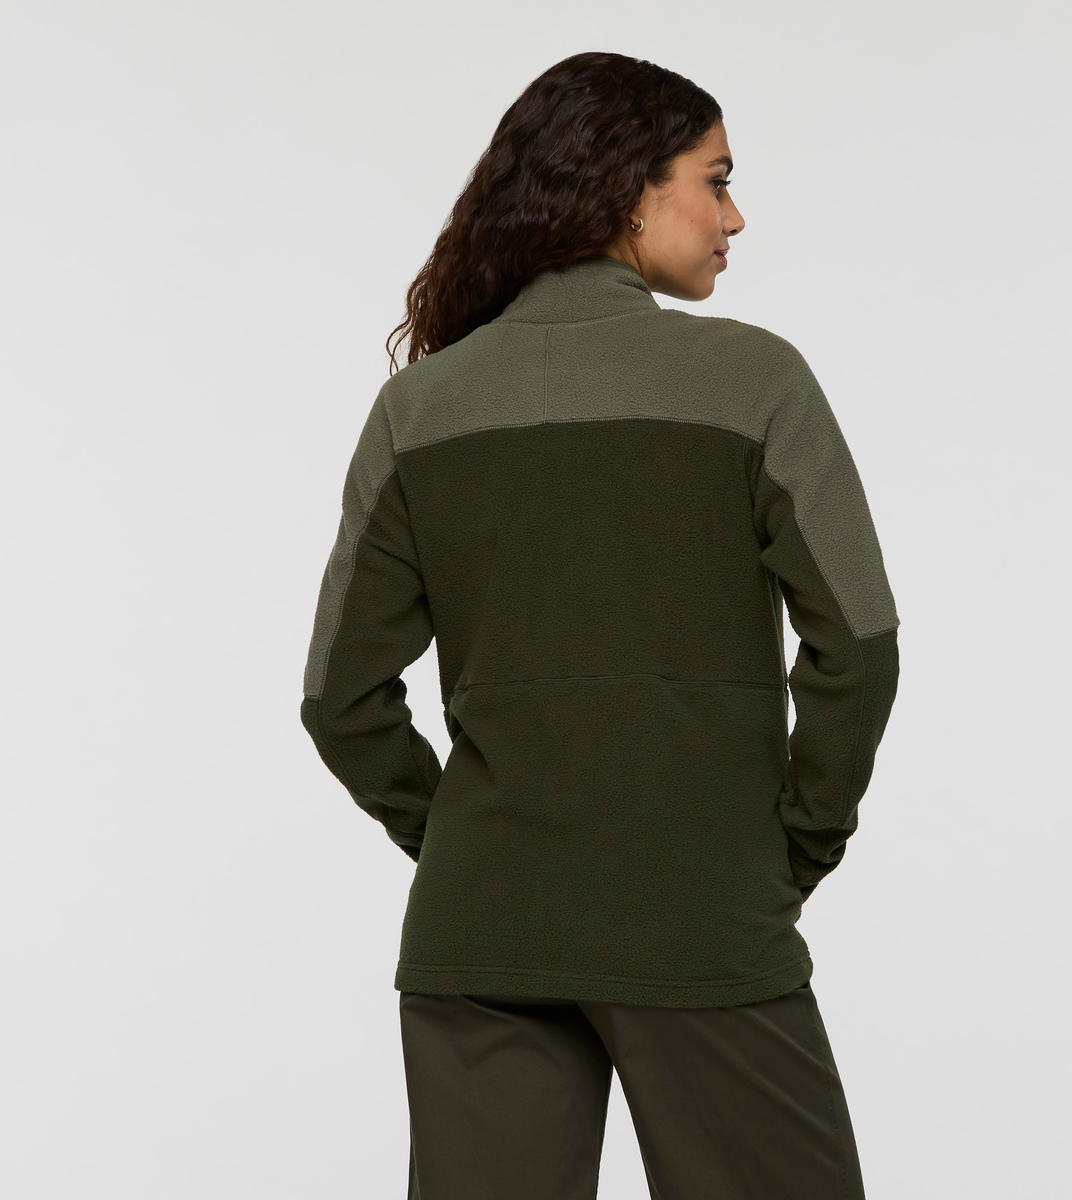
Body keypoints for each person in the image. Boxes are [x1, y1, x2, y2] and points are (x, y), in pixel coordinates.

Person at [300, 50, 899, 1200]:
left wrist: (468, 838)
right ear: (630, 187)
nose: (735, 217)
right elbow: (858, 649)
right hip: (700, 920)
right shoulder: (756, 382)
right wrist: (790, 851)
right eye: (716, 181)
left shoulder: (418, 409)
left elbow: (339, 699)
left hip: (482, 933)